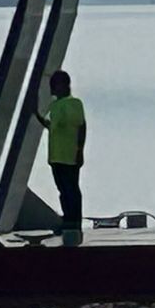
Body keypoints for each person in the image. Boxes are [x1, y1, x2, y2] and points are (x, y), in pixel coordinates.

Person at [34, 68, 87, 238]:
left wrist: (80, 150)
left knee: (68, 189)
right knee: (67, 189)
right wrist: (80, 150)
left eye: (53, 86)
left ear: (62, 86)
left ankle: (72, 221)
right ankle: (70, 220)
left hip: (65, 156)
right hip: (63, 156)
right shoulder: (66, 104)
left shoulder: (66, 104)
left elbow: (76, 127)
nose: (52, 90)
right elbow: (75, 127)